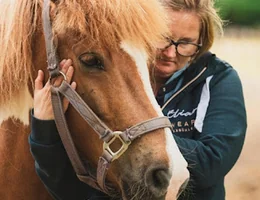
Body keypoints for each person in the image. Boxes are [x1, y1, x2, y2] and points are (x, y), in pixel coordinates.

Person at [29, 0, 247, 199]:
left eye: (186, 43)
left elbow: (213, 160)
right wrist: (43, 125)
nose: (170, 53)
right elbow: (67, 188)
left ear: (201, 42)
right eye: (163, 38)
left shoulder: (218, 79)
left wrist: (137, 134)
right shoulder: (120, 77)